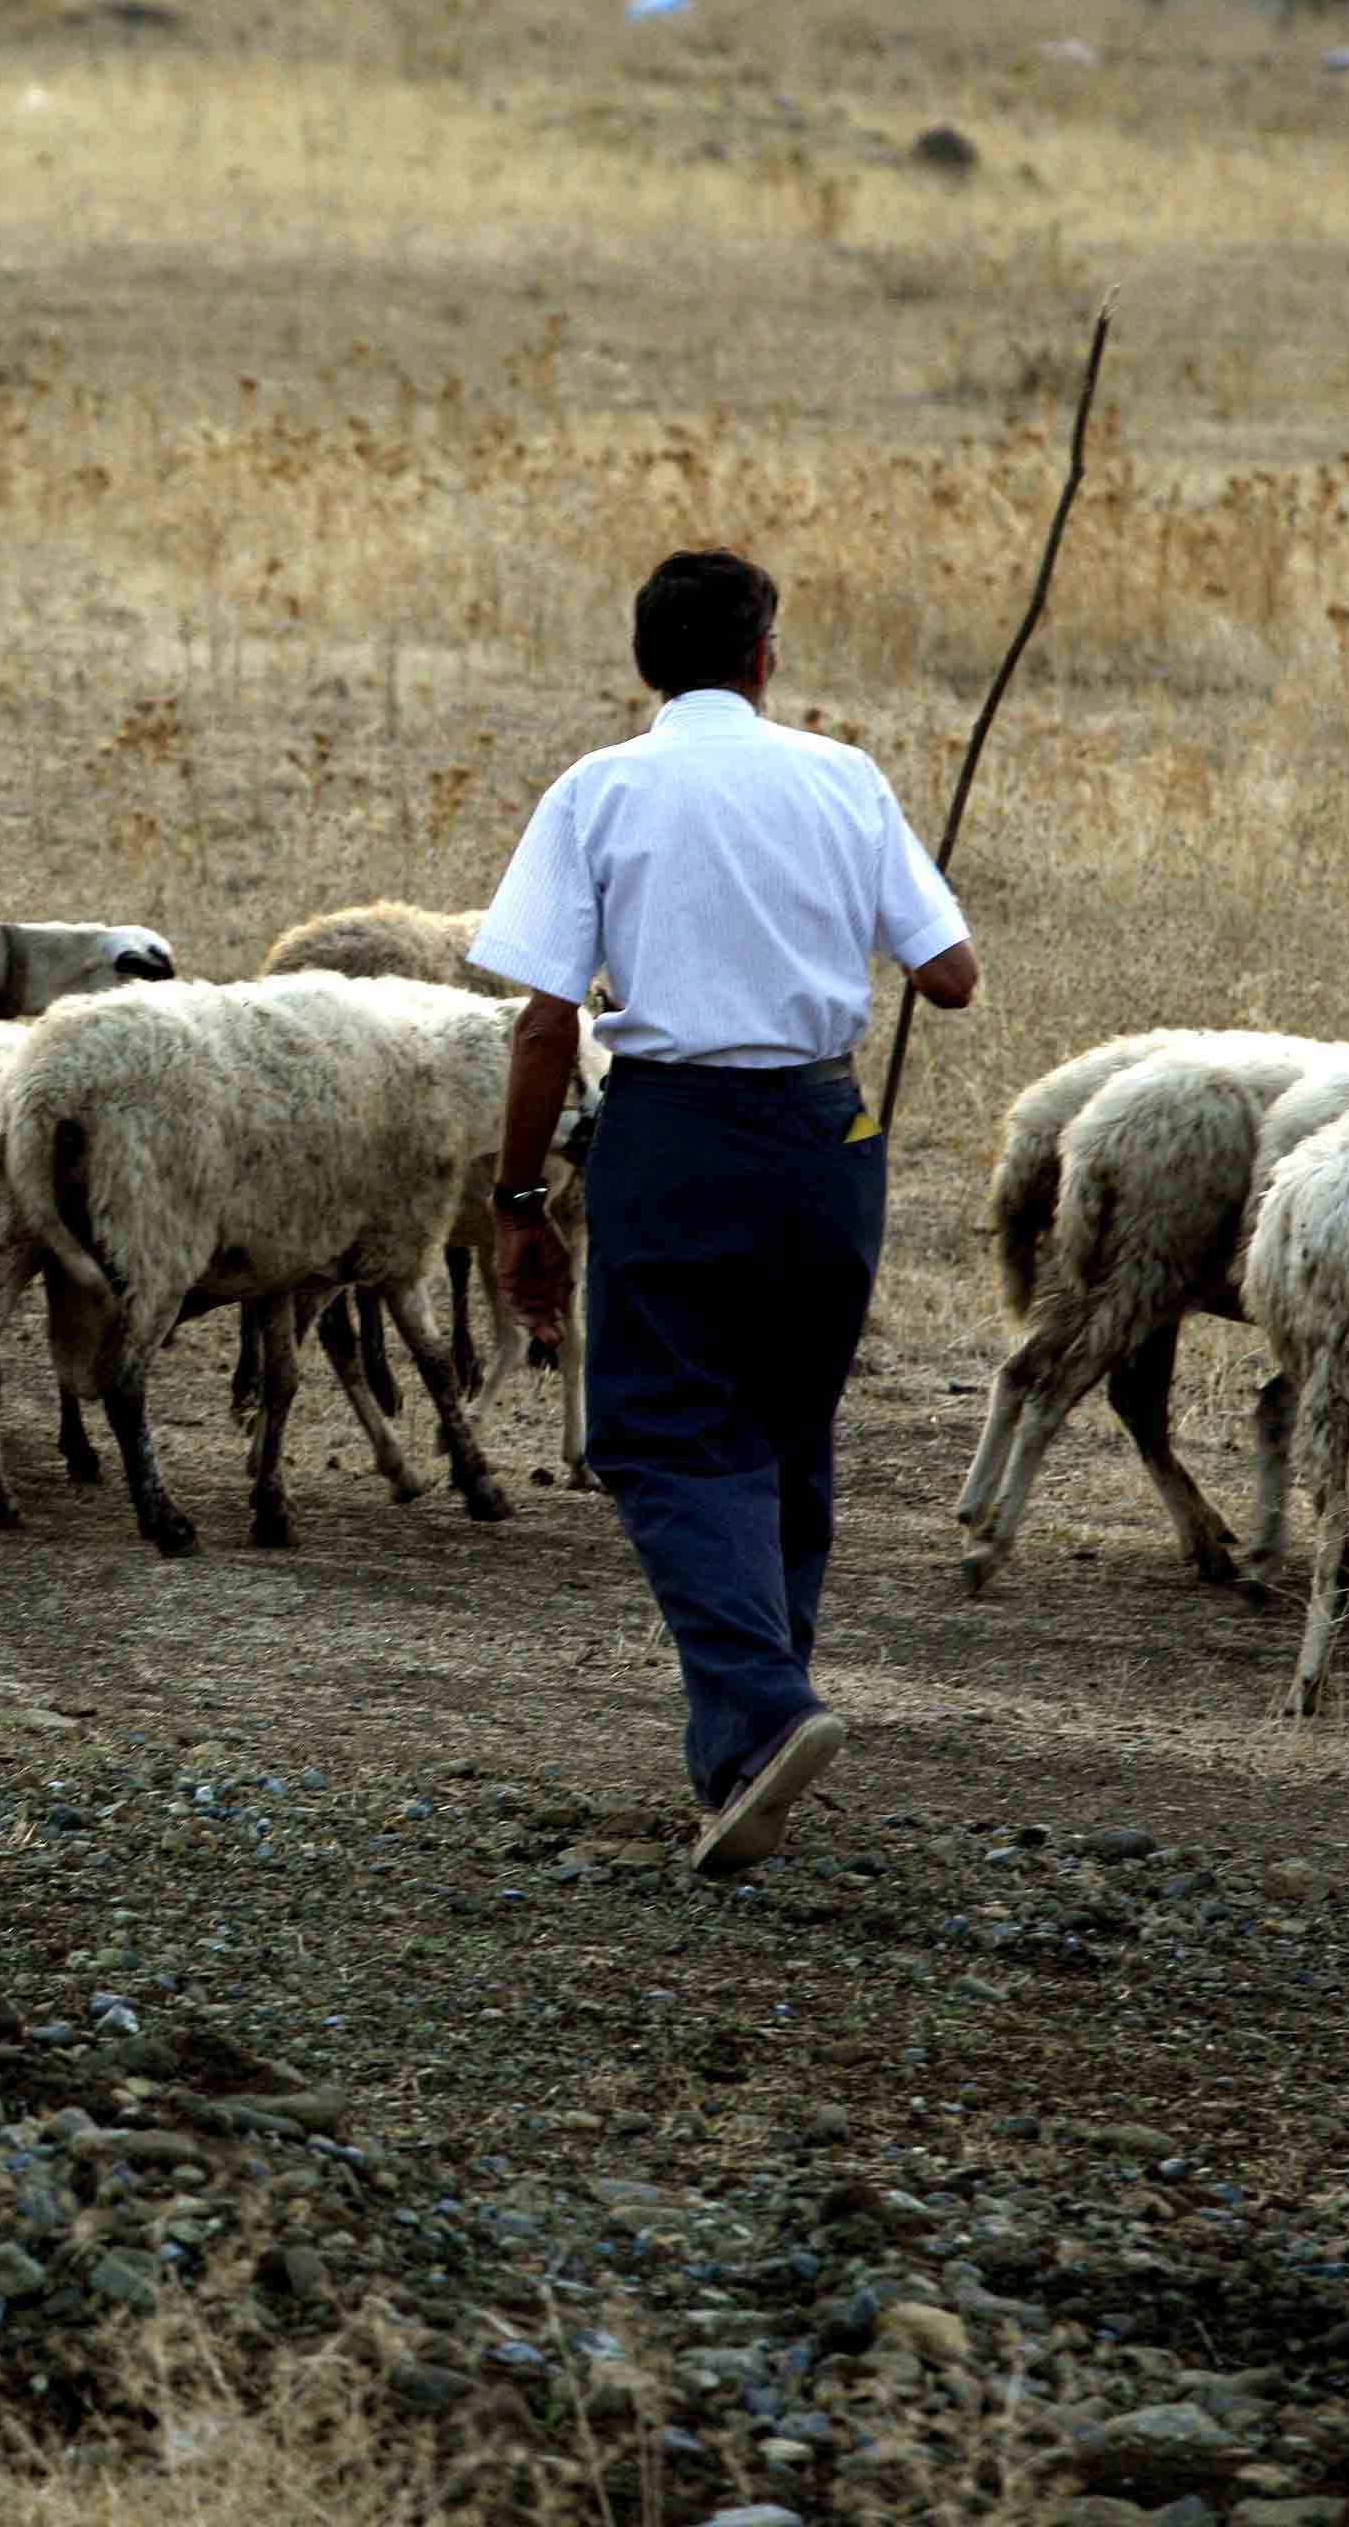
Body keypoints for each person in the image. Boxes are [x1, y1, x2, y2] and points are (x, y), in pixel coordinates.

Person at [469, 550, 978, 1878]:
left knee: (659, 1433)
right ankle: (749, 1761)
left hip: (676, 1134)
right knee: (783, 1429)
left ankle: (767, 1710)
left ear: (647, 668)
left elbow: (542, 1019)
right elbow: (954, 973)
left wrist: (520, 1198)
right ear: (766, 658)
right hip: (828, 1139)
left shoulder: (601, 790)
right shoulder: (844, 779)